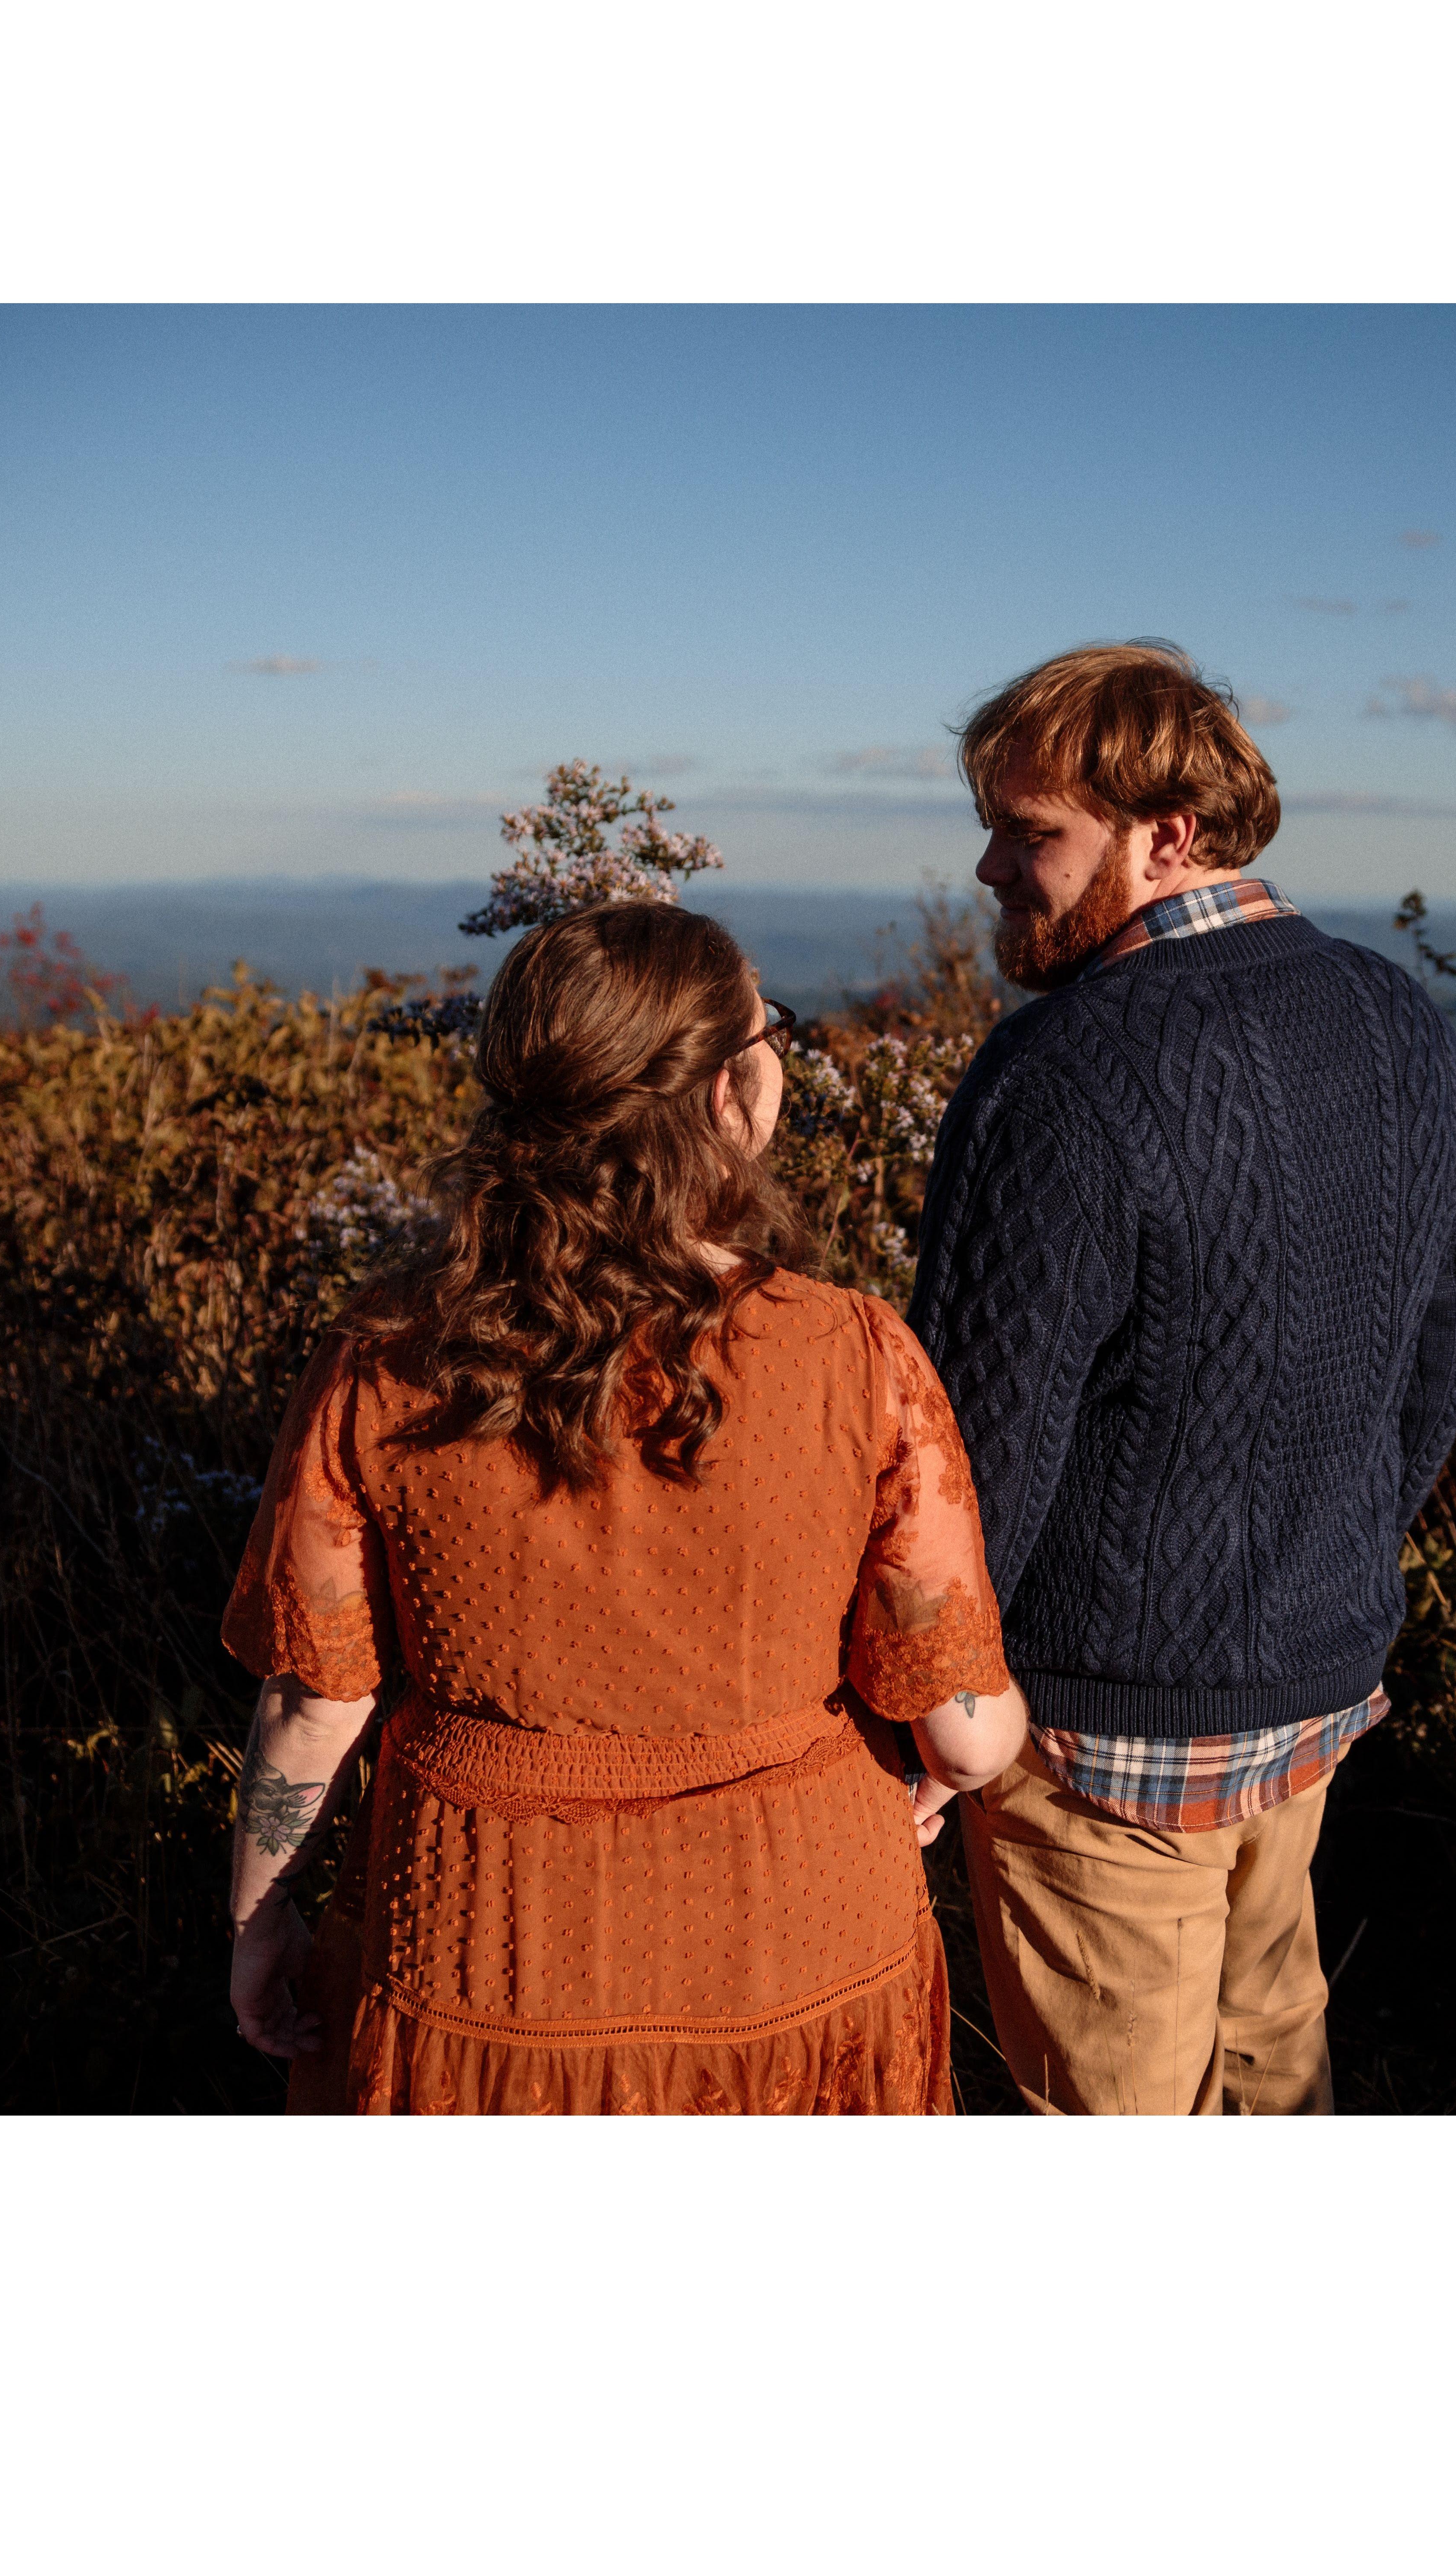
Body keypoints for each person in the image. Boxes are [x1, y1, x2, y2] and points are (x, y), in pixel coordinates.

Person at [223, 901, 1025, 2113]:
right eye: (768, 1035)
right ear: (718, 1097)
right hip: (800, 1953)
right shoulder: (857, 1353)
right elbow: (961, 1729)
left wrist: (258, 1912)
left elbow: (311, 1701)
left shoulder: (386, 1355)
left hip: (484, 1962)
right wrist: (963, 1762)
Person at [908, 640, 1456, 2115]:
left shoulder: (1063, 1072)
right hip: (1312, 1688)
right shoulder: (1400, 1020)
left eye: (1028, 831)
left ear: (1170, 834)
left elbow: (972, 1448)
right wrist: (1324, 1561)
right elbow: (1440, 1361)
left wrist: (926, 1707)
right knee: (1271, 2080)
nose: (987, 866)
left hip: (1095, 1732)